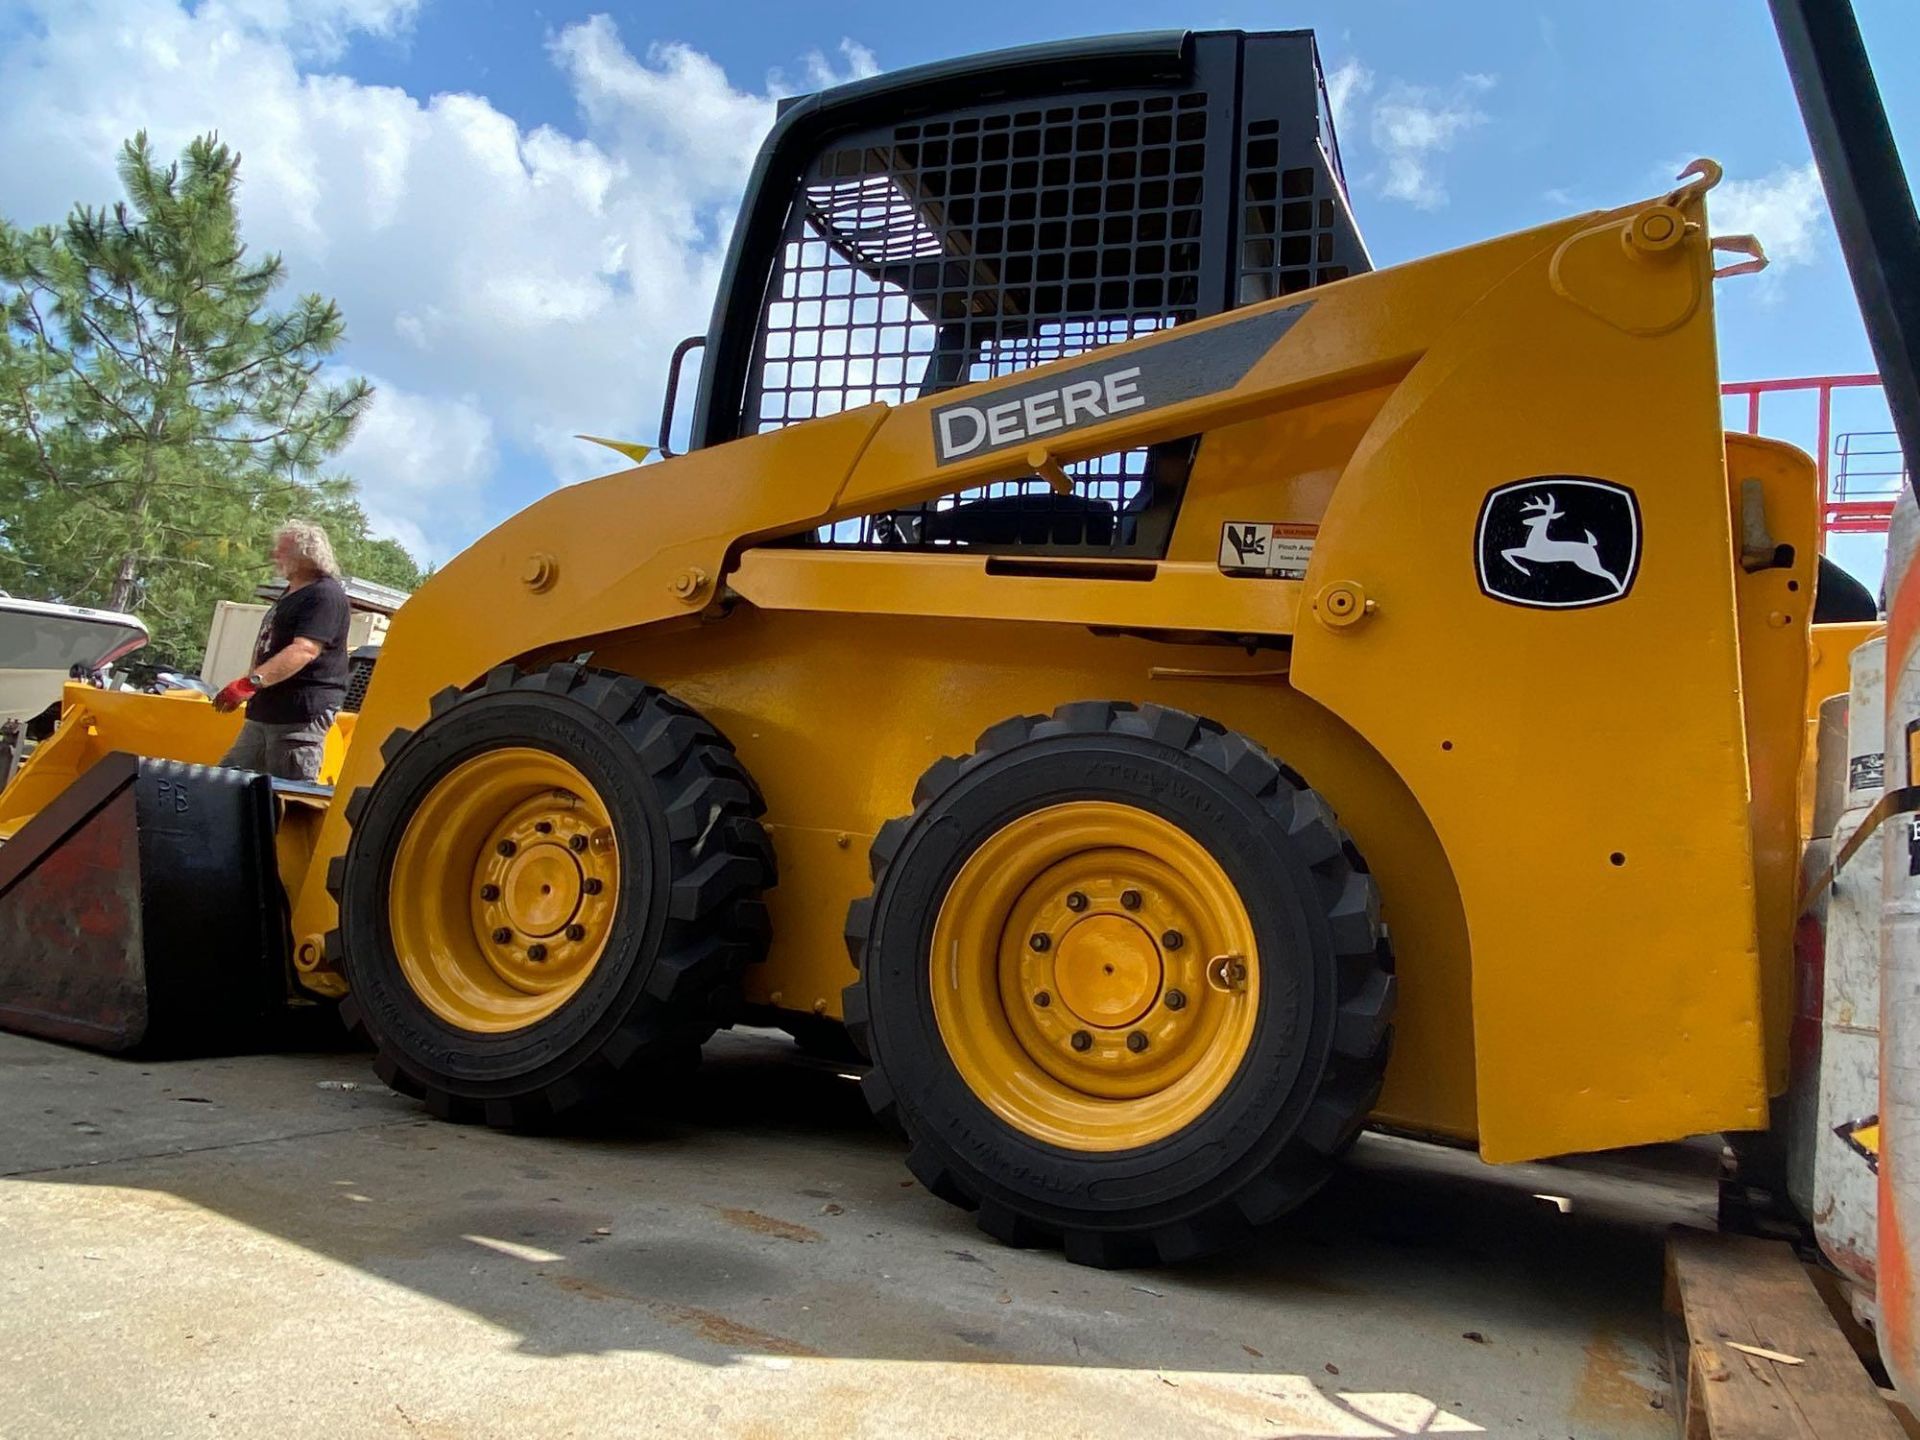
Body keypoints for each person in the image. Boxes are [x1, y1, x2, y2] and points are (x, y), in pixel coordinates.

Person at [214, 520, 351, 781]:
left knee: (288, 791)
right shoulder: (292, 592)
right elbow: (271, 648)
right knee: (229, 781)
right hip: (269, 710)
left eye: (282, 550)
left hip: (299, 714)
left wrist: (249, 683)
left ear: (305, 556)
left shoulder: (324, 596)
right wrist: (249, 687)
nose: (275, 555)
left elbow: (304, 650)